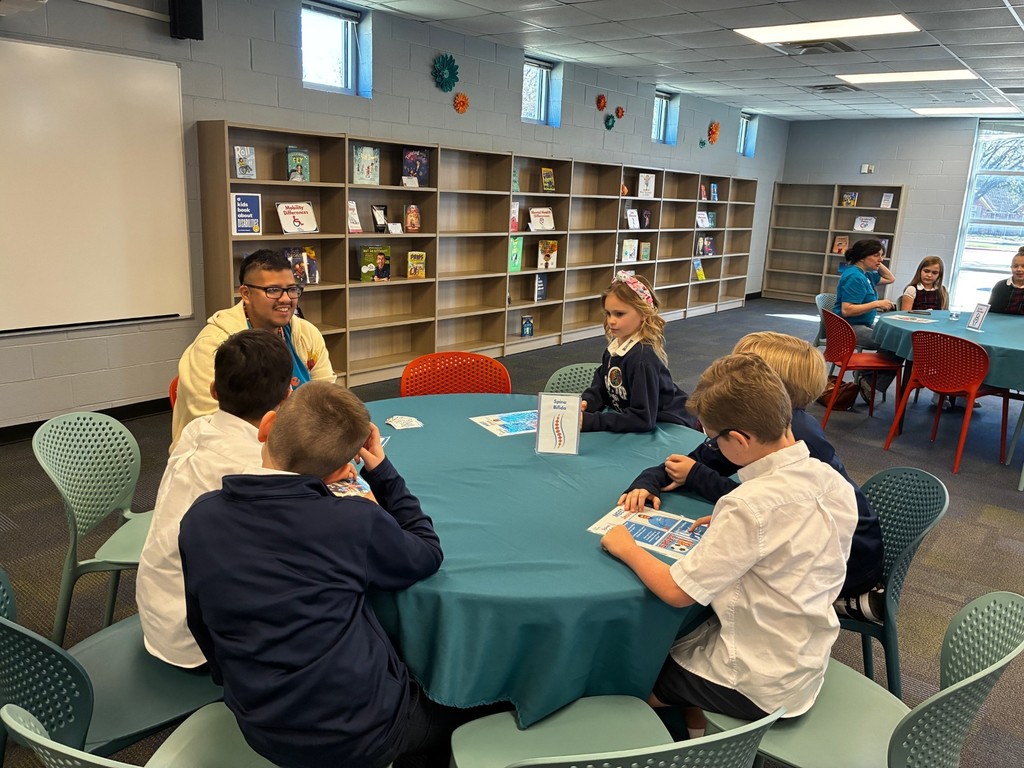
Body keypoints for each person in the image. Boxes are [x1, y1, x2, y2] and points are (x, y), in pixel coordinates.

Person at [179, 381, 482, 768]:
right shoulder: (352, 520)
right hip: (362, 734)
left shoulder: (200, 518)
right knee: (477, 703)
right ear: (344, 469)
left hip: (257, 722)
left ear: (266, 426)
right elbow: (426, 553)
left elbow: (200, 622)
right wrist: (384, 473)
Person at [600, 353, 858, 735]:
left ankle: (676, 743)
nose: (713, 449)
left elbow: (676, 591)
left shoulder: (748, 505)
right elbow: (791, 538)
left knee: (629, 676)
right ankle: (697, 728)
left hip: (755, 681)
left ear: (738, 439)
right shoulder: (829, 479)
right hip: (805, 655)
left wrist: (625, 546)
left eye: (714, 439)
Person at [620, 332, 883, 604]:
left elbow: (780, 506)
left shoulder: (795, 437)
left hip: (847, 565)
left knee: (717, 589)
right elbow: (704, 459)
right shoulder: (762, 429)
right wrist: (649, 479)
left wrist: (700, 479)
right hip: (816, 545)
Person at [138, 329, 294, 667]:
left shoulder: (195, 431)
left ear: (213, 390)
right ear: (286, 397)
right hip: (198, 641)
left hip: (158, 613)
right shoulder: (257, 465)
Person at [171, 249, 335, 445]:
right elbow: (213, 426)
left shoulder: (307, 334)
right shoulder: (213, 345)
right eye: (273, 290)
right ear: (246, 294)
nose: (286, 299)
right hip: (227, 454)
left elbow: (326, 396)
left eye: (292, 289)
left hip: (295, 445)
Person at [580, 271, 697, 433]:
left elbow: (642, 418)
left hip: (671, 426)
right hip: (643, 419)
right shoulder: (614, 349)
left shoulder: (642, 358)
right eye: (608, 313)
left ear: (643, 313)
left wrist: (591, 421)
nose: (611, 321)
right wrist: (588, 402)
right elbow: (604, 387)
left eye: (619, 314)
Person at [835, 238, 900, 402]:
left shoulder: (866, 274)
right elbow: (847, 310)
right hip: (848, 327)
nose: (881, 259)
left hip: (861, 323)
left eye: (882, 256)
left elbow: (890, 278)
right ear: (863, 256)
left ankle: (868, 377)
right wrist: (876, 303)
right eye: (876, 255)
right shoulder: (855, 277)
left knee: (895, 340)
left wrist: (877, 261)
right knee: (895, 345)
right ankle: (869, 381)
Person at [988, 248, 1024, 314]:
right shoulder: (1001, 286)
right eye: (1015, 266)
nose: (1019, 269)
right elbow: (991, 311)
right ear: (1011, 268)